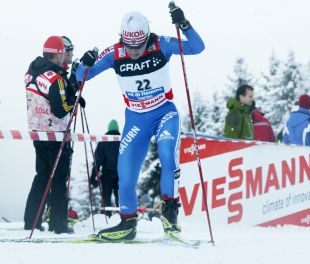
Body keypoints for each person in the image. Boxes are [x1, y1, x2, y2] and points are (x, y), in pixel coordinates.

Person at [76, 5, 204, 240]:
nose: (134, 51)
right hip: (136, 120)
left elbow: (197, 47)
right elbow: (80, 78)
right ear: (122, 39)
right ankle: (127, 223)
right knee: (124, 175)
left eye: (139, 45)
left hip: (164, 114)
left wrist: (184, 25)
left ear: (147, 37)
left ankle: (170, 213)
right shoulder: (115, 53)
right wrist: (85, 62)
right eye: (129, 46)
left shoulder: (161, 45)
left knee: (167, 153)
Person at [24, 36, 83, 234]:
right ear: (58, 54)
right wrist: (73, 98)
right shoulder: (55, 77)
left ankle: (31, 221)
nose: (66, 57)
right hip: (55, 133)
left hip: (38, 131)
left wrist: (69, 91)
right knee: (58, 179)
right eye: (64, 53)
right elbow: (61, 108)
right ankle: (58, 224)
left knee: (41, 177)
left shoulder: (33, 70)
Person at [90, 119, 121, 217]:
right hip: (121, 174)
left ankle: (106, 216)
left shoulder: (104, 142)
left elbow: (97, 161)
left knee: (106, 197)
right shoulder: (123, 141)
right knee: (120, 196)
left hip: (107, 174)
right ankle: (123, 216)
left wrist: (93, 176)